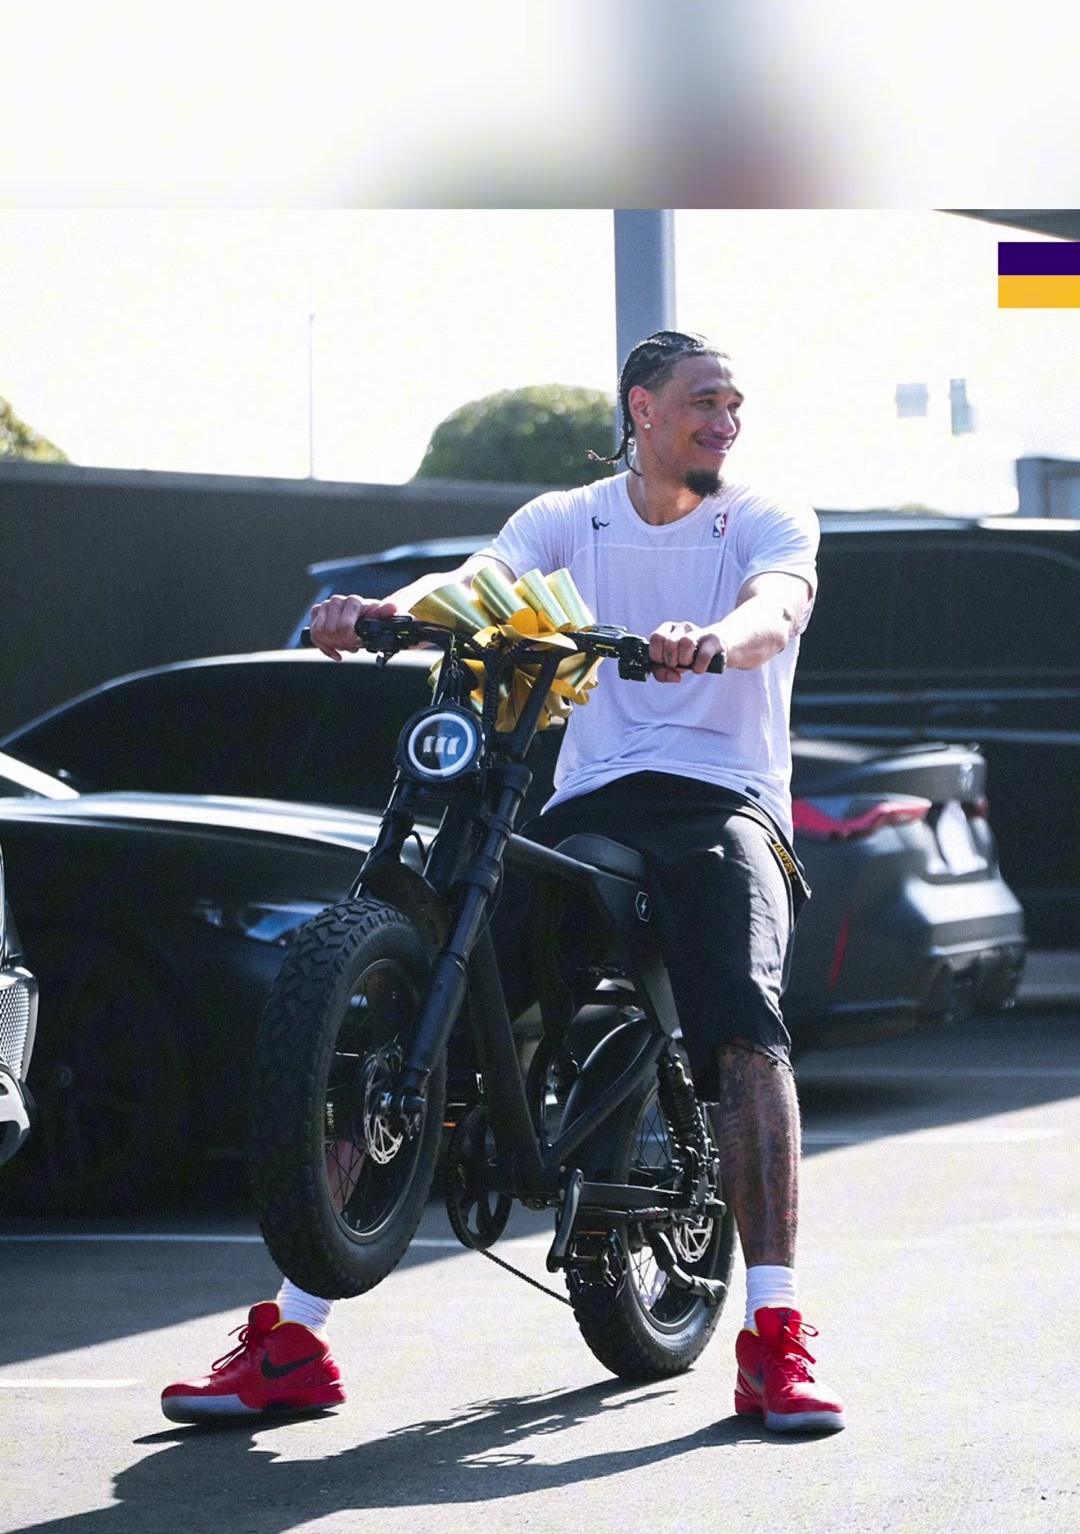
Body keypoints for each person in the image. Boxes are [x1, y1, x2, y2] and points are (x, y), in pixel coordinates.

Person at [161, 330, 844, 1435]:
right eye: (704, 401)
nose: (726, 420)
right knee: (424, 1001)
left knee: (744, 1031)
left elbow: (778, 607)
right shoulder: (569, 519)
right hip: (592, 804)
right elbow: (472, 584)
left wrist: (713, 640)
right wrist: (380, 612)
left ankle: (775, 1334)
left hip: (724, 802)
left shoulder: (761, 516)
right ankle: (293, 1336)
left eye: (734, 404)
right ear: (642, 409)